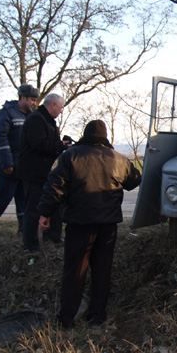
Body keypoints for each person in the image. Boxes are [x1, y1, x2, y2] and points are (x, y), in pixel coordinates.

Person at [37, 120, 141, 328]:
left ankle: (67, 318)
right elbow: (134, 181)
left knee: (75, 270)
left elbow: (54, 186)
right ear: (105, 137)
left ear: (85, 134)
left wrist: (45, 213)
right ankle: (97, 316)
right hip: (108, 225)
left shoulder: (70, 156)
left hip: (79, 222)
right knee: (102, 269)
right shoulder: (118, 159)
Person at [0, 84, 39, 233]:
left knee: (22, 197)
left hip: (24, 165)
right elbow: (0, 138)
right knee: (4, 196)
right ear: (22, 98)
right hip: (8, 165)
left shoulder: (31, 116)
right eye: (31, 99)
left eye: (35, 100)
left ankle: (23, 228)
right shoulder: (6, 113)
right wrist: (7, 163)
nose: (34, 103)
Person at [17, 93, 66, 252]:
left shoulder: (47, 120)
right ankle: (30, 244)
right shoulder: (36, 120)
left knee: (52, 205)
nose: (61, 111)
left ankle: (53, 237)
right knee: (33, 209)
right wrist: (60, 146)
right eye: (60, 107)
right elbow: (39, 144)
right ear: (52, 105)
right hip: (34, 173)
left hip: (46, 173)